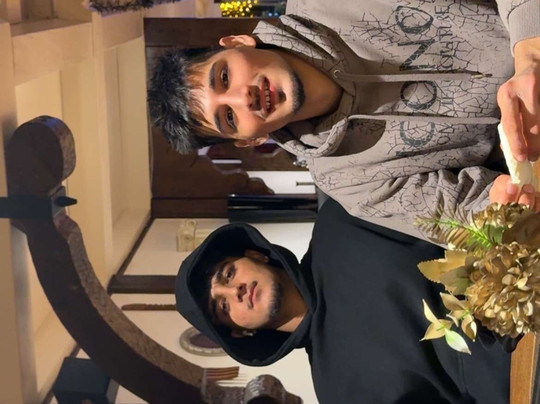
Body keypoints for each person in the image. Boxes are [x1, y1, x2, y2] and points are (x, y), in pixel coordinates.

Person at [148, 0, 540, 239]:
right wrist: (499, 208)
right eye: (229, 117)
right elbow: (465, 218)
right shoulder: (348, 182)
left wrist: (530, 54)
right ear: (249, 140)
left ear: (237, 42)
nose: (243, 97)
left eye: (224, 77)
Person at [175, 198, 511, 404]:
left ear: (255, 254)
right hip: (519, 384)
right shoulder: (337, 392)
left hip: (522, 271)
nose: (234, 292)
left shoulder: (342, 219)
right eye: (223, 307)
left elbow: (461, 210)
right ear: (240, 332)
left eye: (228, 274)